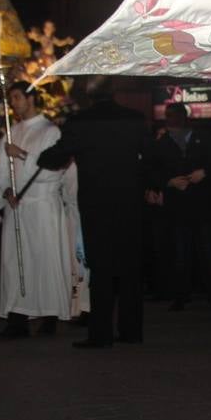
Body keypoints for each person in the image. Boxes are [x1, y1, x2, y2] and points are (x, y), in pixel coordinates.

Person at [37, 76, 148, 348]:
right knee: (130, 267)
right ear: (113, 93)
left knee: (101, 268)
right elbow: (150, 154)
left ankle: (101, 333)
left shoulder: (80, 122)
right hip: (129, 201)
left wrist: (40, 157)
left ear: (89, 94)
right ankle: (131, 330)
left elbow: (58, 156)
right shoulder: (134, 119)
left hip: (96, 203)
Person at [0, 82, 73, 338]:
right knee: (15, 262)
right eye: (11, 98)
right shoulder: (11, 131)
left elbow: (52, 171)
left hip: (42, 206)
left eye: (17, 97)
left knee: (43, 259)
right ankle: (17, 316)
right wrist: (6, 191)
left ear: (31, 99)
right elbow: (1, 173)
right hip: (17, 207)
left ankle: (49, 314)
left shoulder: (50, 131)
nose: (14, 103)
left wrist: (21, 155)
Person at [146, 103, 211, 310]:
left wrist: (204, 173)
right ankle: (182, 295)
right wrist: (169, 182)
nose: (171, 121)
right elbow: (151, 171)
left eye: (173, 117)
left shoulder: (202, 139)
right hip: (178, 206)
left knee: (207, 251)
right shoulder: (162, 144)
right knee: (181, 253)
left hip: (201, 203)